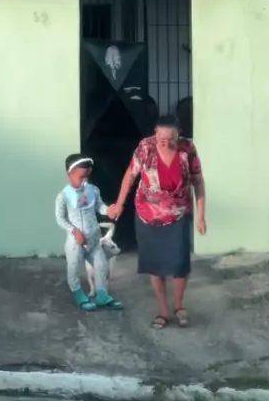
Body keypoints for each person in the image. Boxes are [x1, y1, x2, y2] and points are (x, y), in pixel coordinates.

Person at [107, 115, 206, 329]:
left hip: (178, 213)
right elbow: (130, 175)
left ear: (179, 134)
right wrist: (119, 204)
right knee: (155, 265)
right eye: (162, 139)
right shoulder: (145, 148)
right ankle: (162, 310)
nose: (166, 144)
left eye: (171, 140)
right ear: (155, 133)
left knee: (179, 263)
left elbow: (198, 182)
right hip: (148, 214)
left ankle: (179, 305)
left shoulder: (187, 149)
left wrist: (201, 215)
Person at [55, 153, 122, 311]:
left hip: (94, 240)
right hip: (76, 242)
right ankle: (79, 295)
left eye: (86, 176)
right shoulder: (64, 196)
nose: (84, 180)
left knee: (101, 266)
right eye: (80, 177)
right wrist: (74, 231)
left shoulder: (93, 190)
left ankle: (102, 295)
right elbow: (60, 218)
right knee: (74, 268)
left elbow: (99, 206)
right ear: (69, 174)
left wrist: (109, 210)